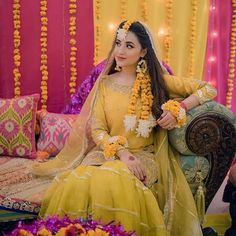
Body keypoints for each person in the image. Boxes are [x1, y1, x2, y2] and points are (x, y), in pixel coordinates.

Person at [32, 20, 217, 236]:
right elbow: (98, 129)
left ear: (143, 51)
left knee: (113, 180)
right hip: (109, 153)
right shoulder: (105, 84)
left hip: (143, 157)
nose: (120, 50)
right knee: (76, 182)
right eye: (118, 43)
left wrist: (180, 108)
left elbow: (208, 89)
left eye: (129, 46)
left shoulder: (157, 82)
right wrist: (122, 153)